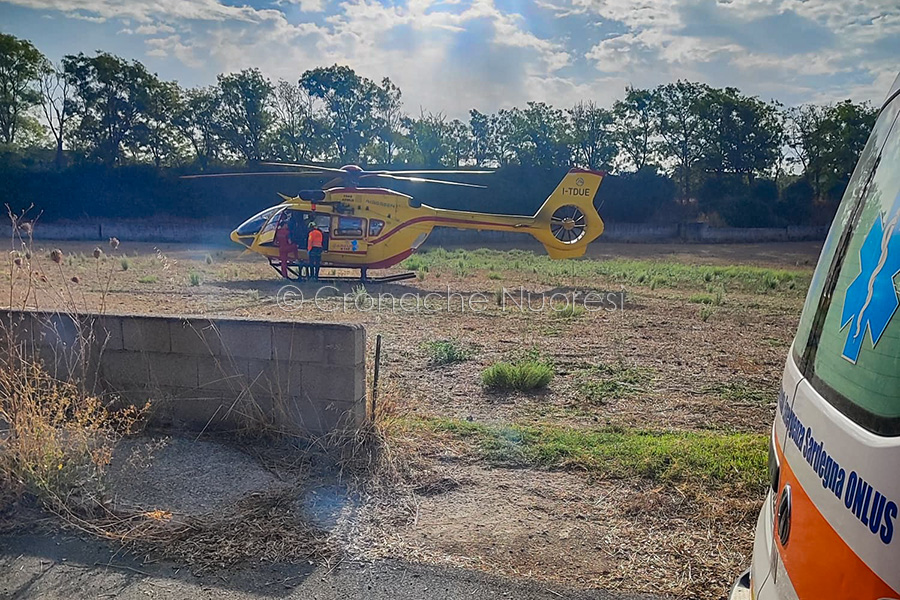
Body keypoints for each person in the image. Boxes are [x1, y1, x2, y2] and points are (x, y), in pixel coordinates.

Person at [274, 212, 297, 279]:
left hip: (281, 248)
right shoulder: (287, 232)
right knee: (295, 246)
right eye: (286, 225)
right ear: (284, 225)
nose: (287, 226)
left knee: (283, 263)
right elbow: (289, 242)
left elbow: (275, 242)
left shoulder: (278, 231)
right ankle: (295, 259)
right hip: (287, 247)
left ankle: (284, 275)